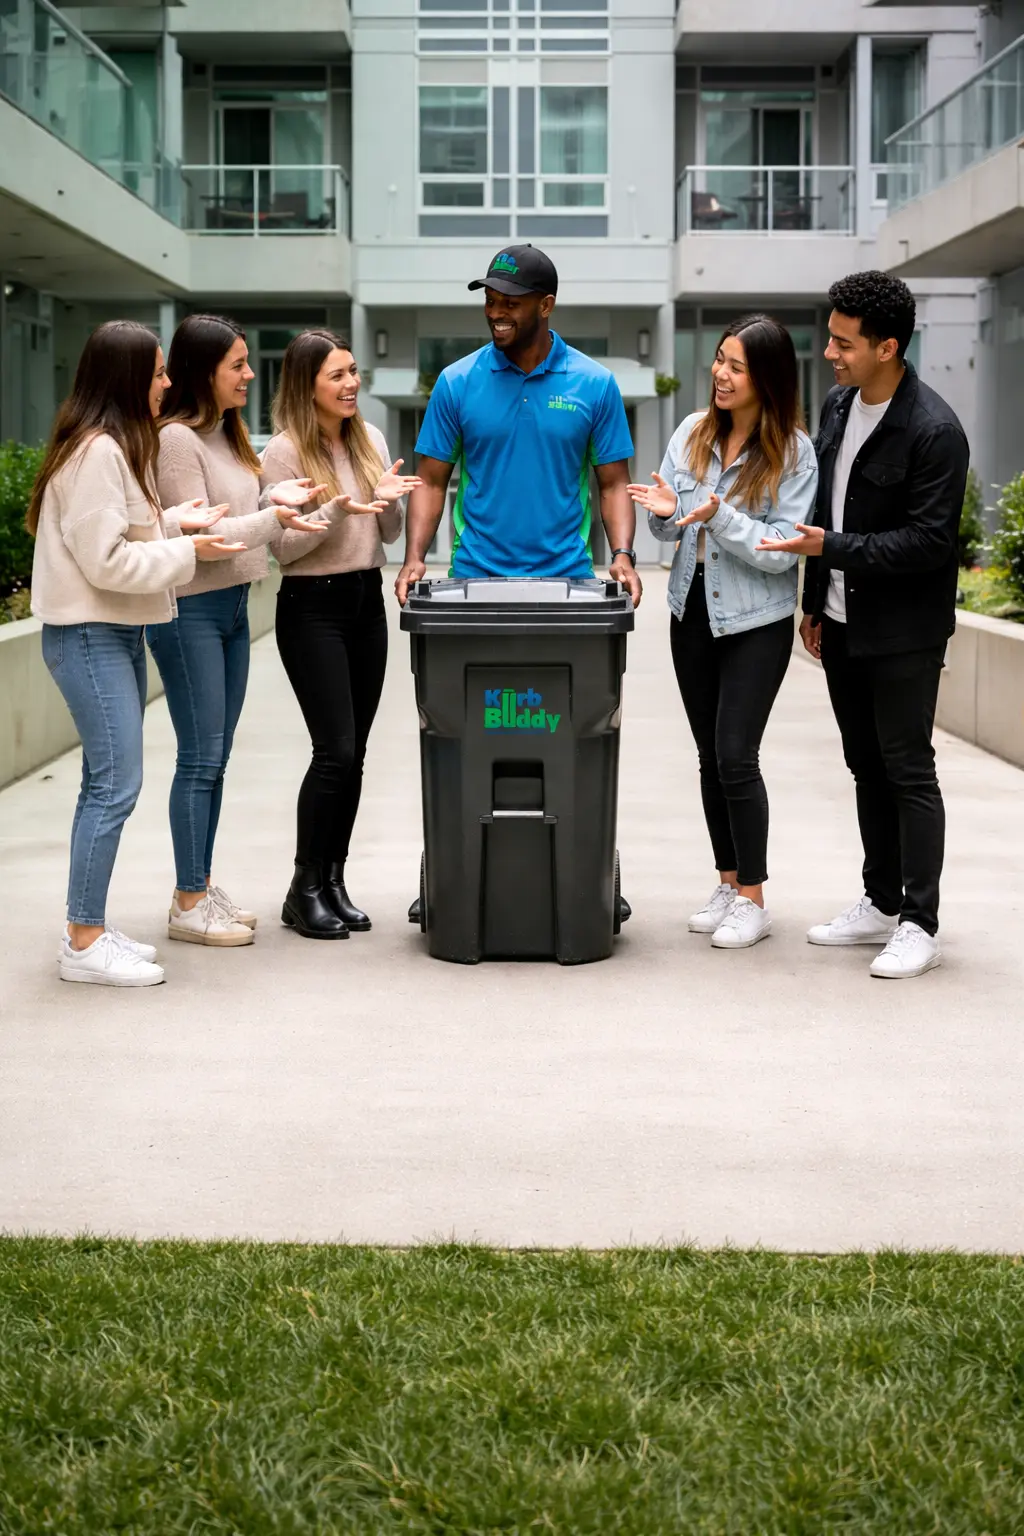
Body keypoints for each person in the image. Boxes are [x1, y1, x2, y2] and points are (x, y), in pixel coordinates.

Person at [762, 271, 969, 979]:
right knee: (864, 765)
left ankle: (919, 920)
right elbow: (830, 502)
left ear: (888, 346)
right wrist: (816, 601)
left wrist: (831, 553)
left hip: (907, 631)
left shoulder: (935, 432)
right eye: (829, 338)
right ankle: (880, 900)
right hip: (844, 625)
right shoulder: (838, 405)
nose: (829, 353)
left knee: (908, 770)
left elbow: (930, 542)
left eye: (845, 343)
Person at [27, 320, 244, 987]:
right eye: (156, 373)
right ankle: (84, 942)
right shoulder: (97, 452)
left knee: (106, 781)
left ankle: (87, 926)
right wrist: (189, 551)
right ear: (126, 379)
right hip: (90, 634)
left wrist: (181, 524)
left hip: (108, 633)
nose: (168, 382)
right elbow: (106, 560)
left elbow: (120, 532)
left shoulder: (112, 448)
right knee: (116, 783)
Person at [630, 314, 817, 950]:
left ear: (765, 379)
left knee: (738, 753)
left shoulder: (793, 452)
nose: (720, 374)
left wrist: (719, 517)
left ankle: (755, 898)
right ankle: (728, 880)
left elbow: (781, 551)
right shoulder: (689, 434)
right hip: (692, 612)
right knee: (710, 756)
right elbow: (669, 523)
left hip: (756, 622)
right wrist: (667, 517)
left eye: (736, 366)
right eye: (718, 360)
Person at [151, 314, 329, 948]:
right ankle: (188, 901)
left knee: (215, 760)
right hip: (191, 611)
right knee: (199, 759)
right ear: (204, 373)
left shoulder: (228, 436)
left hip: (231, 610)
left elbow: (255, 526)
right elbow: (209, 539)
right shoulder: (175, 441)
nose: (251, 374)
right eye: (238, 365)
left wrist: (302, 510)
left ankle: (197, 886)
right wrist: (271, 514)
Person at [262, 329, 419, 939]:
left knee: (354, 757)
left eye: (353, 372)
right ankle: (303, 888)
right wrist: (336, 509)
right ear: (308, 386)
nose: (351, 384)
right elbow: (284, 549)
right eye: (337, 375)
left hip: (364, 603)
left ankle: (333, 880)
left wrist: (385, 502)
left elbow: (385, 534)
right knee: (334, 752)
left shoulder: (369, 438)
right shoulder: (283, 454)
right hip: (312, 608)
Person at [394, 244, 642, 609]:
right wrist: (414, 556)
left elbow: (614, 483)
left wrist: (622, 555)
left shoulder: (594, 383)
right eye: (490, 301)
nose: (496, 313)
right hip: (474, 576)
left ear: (545, 306)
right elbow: (430, 481)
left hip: (568, 576)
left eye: (511, 303)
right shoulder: (457, 381)